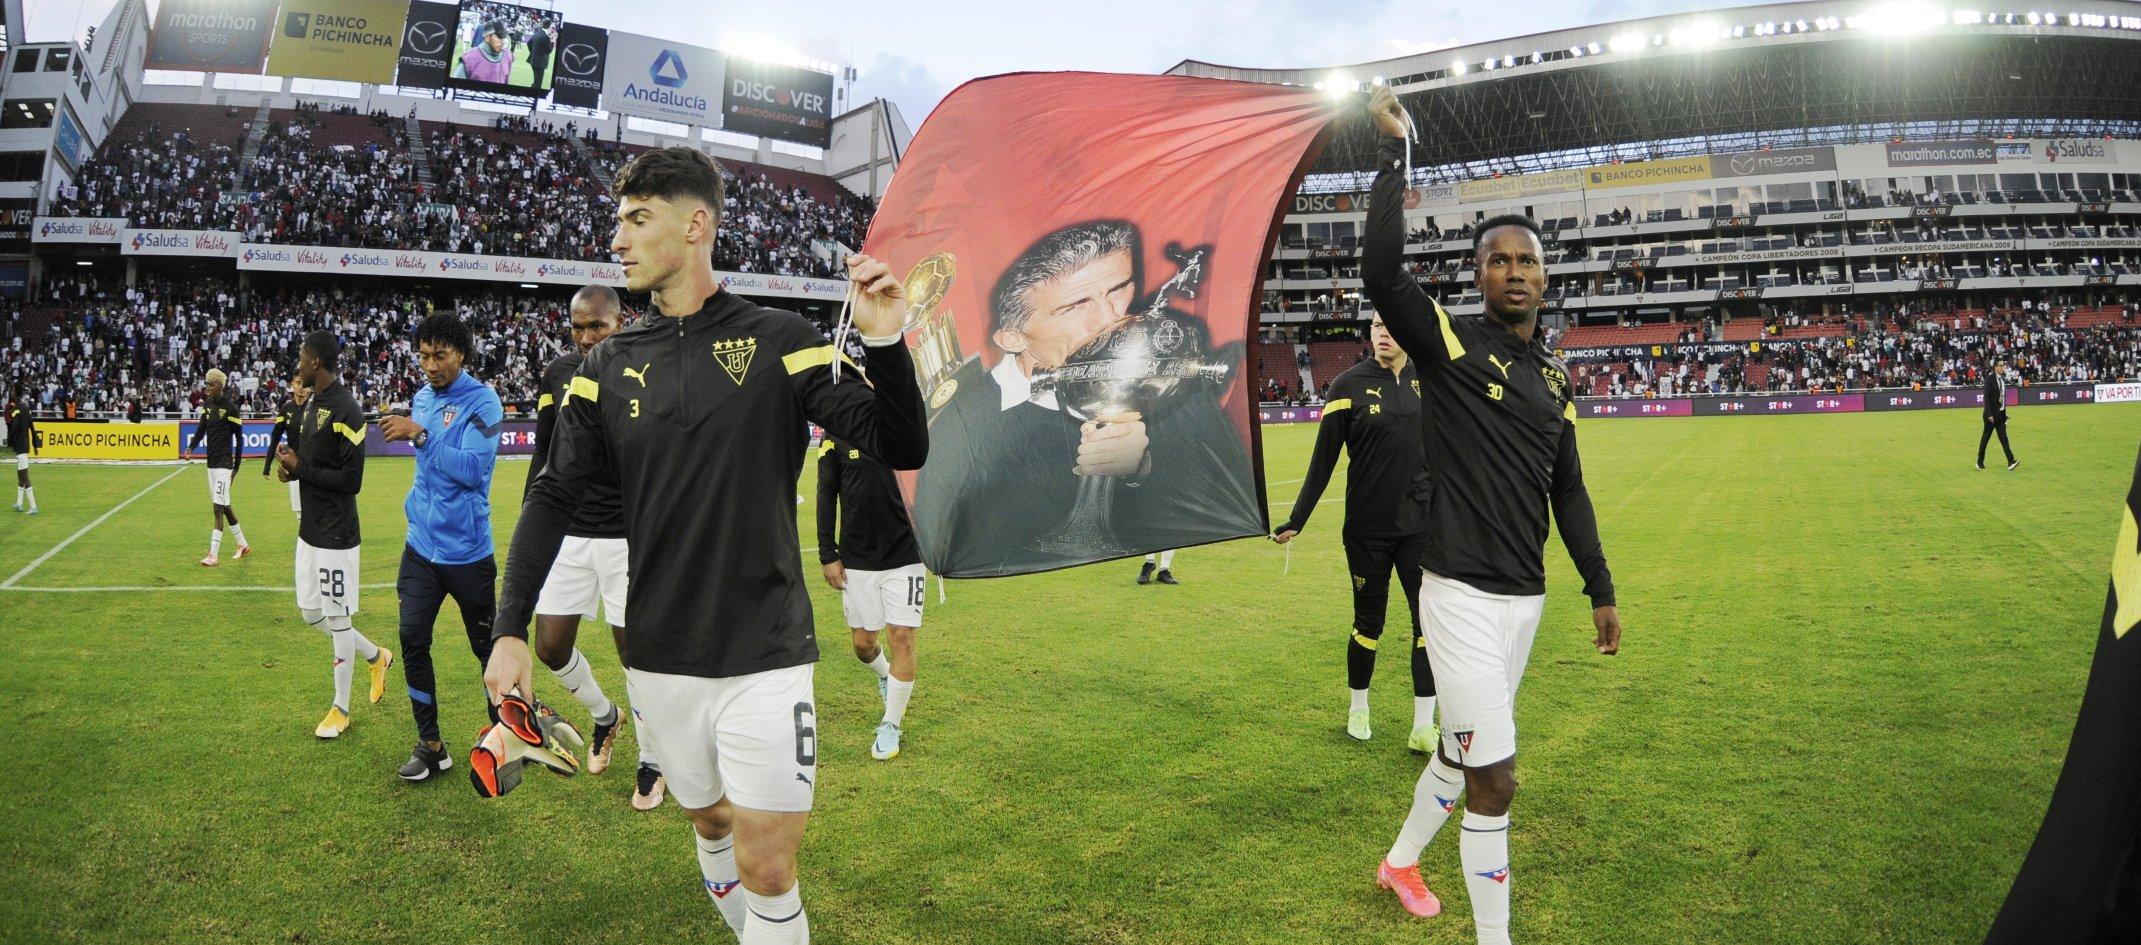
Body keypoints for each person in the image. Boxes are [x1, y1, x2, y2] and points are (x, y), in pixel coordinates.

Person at [487, 146, 927, 944]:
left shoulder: (781, 338)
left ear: (695, 226)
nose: (617, 239)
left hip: (764, 649)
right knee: (711, 821)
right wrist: (511, 627)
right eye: (617, 221)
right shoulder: (605, 365)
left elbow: (900, 441)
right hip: (658, 654)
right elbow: (551, 493)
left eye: (635, 219)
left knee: (768, 866)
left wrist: (887, 343)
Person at [1361, 84, 1622, 944]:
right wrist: (1396, 156)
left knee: (1456, 753)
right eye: (1498, 259)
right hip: (1459, 596)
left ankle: (1399, 862)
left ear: (1545, 275)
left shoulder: (1553, 380)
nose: (1515, 270)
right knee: (1497, 778)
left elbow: (1569, 488)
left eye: (1528, 260)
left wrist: (1598, 585)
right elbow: (1381, 274)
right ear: (1479, 275)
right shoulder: (1448, 341)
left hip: (1525, 599)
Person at [912, 220, 1259, 577]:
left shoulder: (1175, 386)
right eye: (1075, 306)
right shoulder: (961, 421)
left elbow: (1215, 496)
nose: (1110, 317)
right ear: (1013, 339)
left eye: (1119, 289)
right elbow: (951, 525)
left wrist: (1141, 469)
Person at [1273, 312, 1438, 749]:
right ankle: (1358, 708)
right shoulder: (1347, 385)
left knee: (1430, 626)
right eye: (1378, 325)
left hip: (1422, 527)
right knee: (1369, 623)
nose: (1385, 332)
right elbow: (1323, 459)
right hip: (1367, 530)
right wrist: (1297, 518)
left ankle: (1424, 725)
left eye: (1392, 324)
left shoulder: (1432, 377)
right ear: (1370, 333)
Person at [527, 284, 645, 802]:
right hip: (569, 531)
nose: (585, 336)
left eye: (596, 325)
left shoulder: (645, 366)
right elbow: (543, 454)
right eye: (577, 326)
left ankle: (654, 756)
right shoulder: (556, 374)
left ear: (621, 322)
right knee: (550, 647)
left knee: (635, 656)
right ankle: (605, 715)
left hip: (626, 535)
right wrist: (534, 521)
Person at [381, 313, 504, 782]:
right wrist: (420, 429)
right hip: (421, 550)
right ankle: (431, 745)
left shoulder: (484, 401)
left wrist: (421, 434)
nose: (431, 365)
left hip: (468, 554)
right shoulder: (423, 397)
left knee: (486, 653)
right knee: (412, 640)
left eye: (441, 355)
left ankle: (502, 737)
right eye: (424, 355)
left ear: (462, 355)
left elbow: (473, 470)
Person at [277, 332, 393, 740]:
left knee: (339, 619)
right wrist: (291, 467)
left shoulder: (347, 410)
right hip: (310, 530)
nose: (298, 364)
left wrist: (302, 469)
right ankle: (376, 656)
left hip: (337, 535)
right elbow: (310, 460)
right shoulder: (311, 403)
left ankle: (341, 709)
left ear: (317, 364)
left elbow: (351, 480)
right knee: (312, 614)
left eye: (303, 358)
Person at [817, 433, 926, 761]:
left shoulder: (904, 425)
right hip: (857, 558)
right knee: (864, 645)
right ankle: (884, 674)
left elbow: (933, 482)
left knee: (903, 638)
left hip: (906, 555)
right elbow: (826, 494)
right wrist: (827, 553)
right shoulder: (834, 434)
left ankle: (891, 724)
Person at [186, 369, 250, 566]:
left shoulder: (231, 408)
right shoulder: (207, 405)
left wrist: (235, 469)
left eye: (211, 385)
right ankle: (243, 545)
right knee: (225, 506)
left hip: (224, 465)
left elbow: (239, 441)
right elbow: (201, 429)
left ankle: (213, 554)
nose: (208, 388)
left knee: (217, 508)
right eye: (207, 384)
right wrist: (191, 447)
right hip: (211, 465)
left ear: (220, 386)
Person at [264, 376, 312, 522]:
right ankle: (305, 544)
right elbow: (275, 437)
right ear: (292, 384)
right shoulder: (286, 409)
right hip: (293, 465)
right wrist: (267, 466)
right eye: (298, 383)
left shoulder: (315, 409)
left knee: (313, 511)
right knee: (299, 514)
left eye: (305, 384)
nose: (301, 387)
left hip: (312, 466)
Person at [1978, 360, 2018, 470]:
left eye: (2003, 365)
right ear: (1995, 367)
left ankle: (2011, 461)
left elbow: (2002, 398)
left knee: (2004, 439)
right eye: (2000, 366)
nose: (2002, 367)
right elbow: (1987, 398)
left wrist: (2004, 415)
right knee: (1985, 439)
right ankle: (1979, 461)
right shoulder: (1989, 379)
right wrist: (1989, 414)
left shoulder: (2002, 380)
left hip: (2000, 415)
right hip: (1991, 416)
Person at [7, 385, 36, 514]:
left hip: (20, 445)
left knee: (24, 476)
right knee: (20, 475)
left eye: (12, 390)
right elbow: (32, 426)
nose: (11, 392)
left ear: (15, 392)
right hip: (25, 445)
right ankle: (19, 503)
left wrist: (9, 440)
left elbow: (14, 426)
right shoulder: (26, 408)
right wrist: (35, 444)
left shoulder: (17, 409)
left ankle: (33, 507)